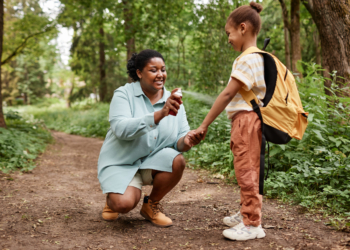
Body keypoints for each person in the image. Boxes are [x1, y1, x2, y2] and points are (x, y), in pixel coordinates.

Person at [97, 49, 201, 227]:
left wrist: (187, 140)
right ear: (139, 73)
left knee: (177, 160)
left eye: (163, 69)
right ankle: (112, 199)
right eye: (154, 70)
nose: (160, 74)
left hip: (151, 162)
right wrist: (160, 114)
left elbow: (179, 141)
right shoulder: (123, 94)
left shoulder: (173, 100)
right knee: (123, 204)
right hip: (121, 162)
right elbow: (121, 129)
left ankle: (150, 205)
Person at [194, 2, 266, 241]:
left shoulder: (246, 59)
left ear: (243, 28)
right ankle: (247, 211)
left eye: (229, 33)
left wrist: (204, 125)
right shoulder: (259, 57)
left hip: (246, 121)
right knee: (248, 169)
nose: (228, 39)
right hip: (251, 120)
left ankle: (251, 224)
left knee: (246, 170)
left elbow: (226, 95)